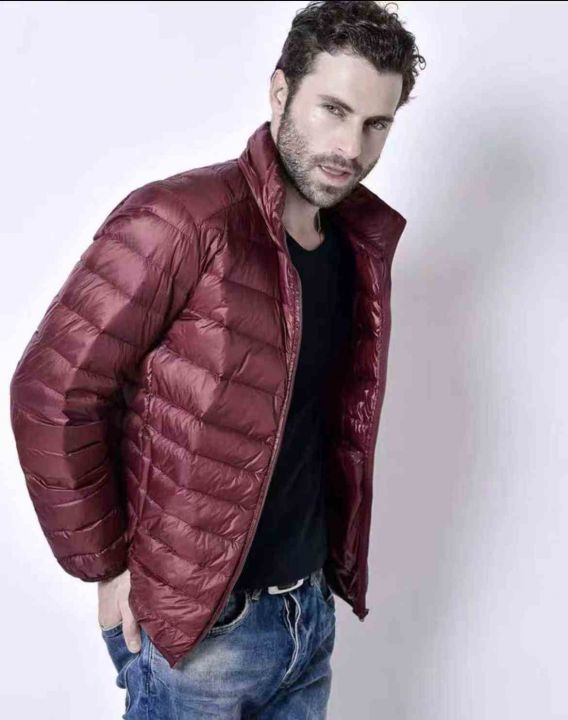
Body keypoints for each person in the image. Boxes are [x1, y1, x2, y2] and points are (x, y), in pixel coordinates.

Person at [9, 1, 425, 717]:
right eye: (333, 109)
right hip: (201, 634)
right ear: (280, 92)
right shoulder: (182, 221)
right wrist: (107, 565)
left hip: (307, 618)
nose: (350, 146)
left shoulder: (357, 248)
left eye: (375, 124)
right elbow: (52, 391)